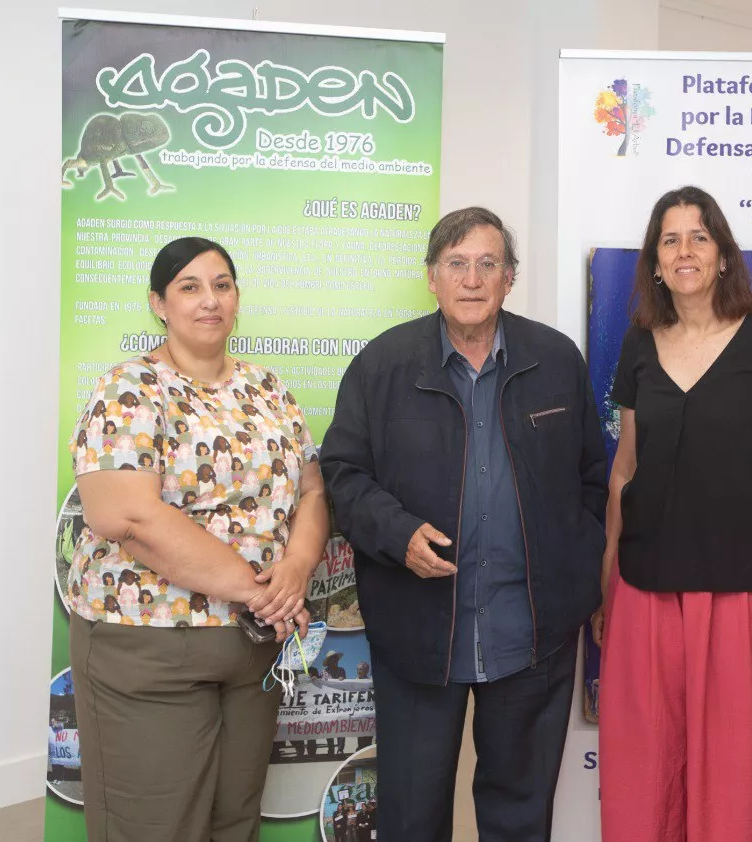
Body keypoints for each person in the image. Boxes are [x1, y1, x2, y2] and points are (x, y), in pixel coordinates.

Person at [320, 207, 608, 841]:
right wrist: (397, 535)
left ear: (510, 277)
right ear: (431, 278)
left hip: (533, 635)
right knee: (412, 817)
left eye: (488, 264)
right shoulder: (383, 365)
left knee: (520, 819)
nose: (472, 279)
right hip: (421, 632)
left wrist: (574, 575)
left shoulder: (555, 360)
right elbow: (341, 474)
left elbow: (593, 480)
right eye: (456, 264)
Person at [67, 237, 330, 842]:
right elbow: (126, 515)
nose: (209, 300)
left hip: (253, 650)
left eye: (222, 284)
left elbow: (312, 492)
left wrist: (294, 569)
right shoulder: (128, 389)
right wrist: (261, 590)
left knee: (234, 821)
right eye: (189, 286)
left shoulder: (271, 391)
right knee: (155, 826)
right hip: (150, 648)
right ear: (159, 304)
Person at [595, 185, 752, 842]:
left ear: (724, 255)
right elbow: (625, 470)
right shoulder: (639, 343)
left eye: (699, 236)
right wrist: (607, 580)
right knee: (644, 780)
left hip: (744, 594)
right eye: (669, 239)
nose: (684, 250)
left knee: (735, 787)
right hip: (645, 591)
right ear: (655, 261)